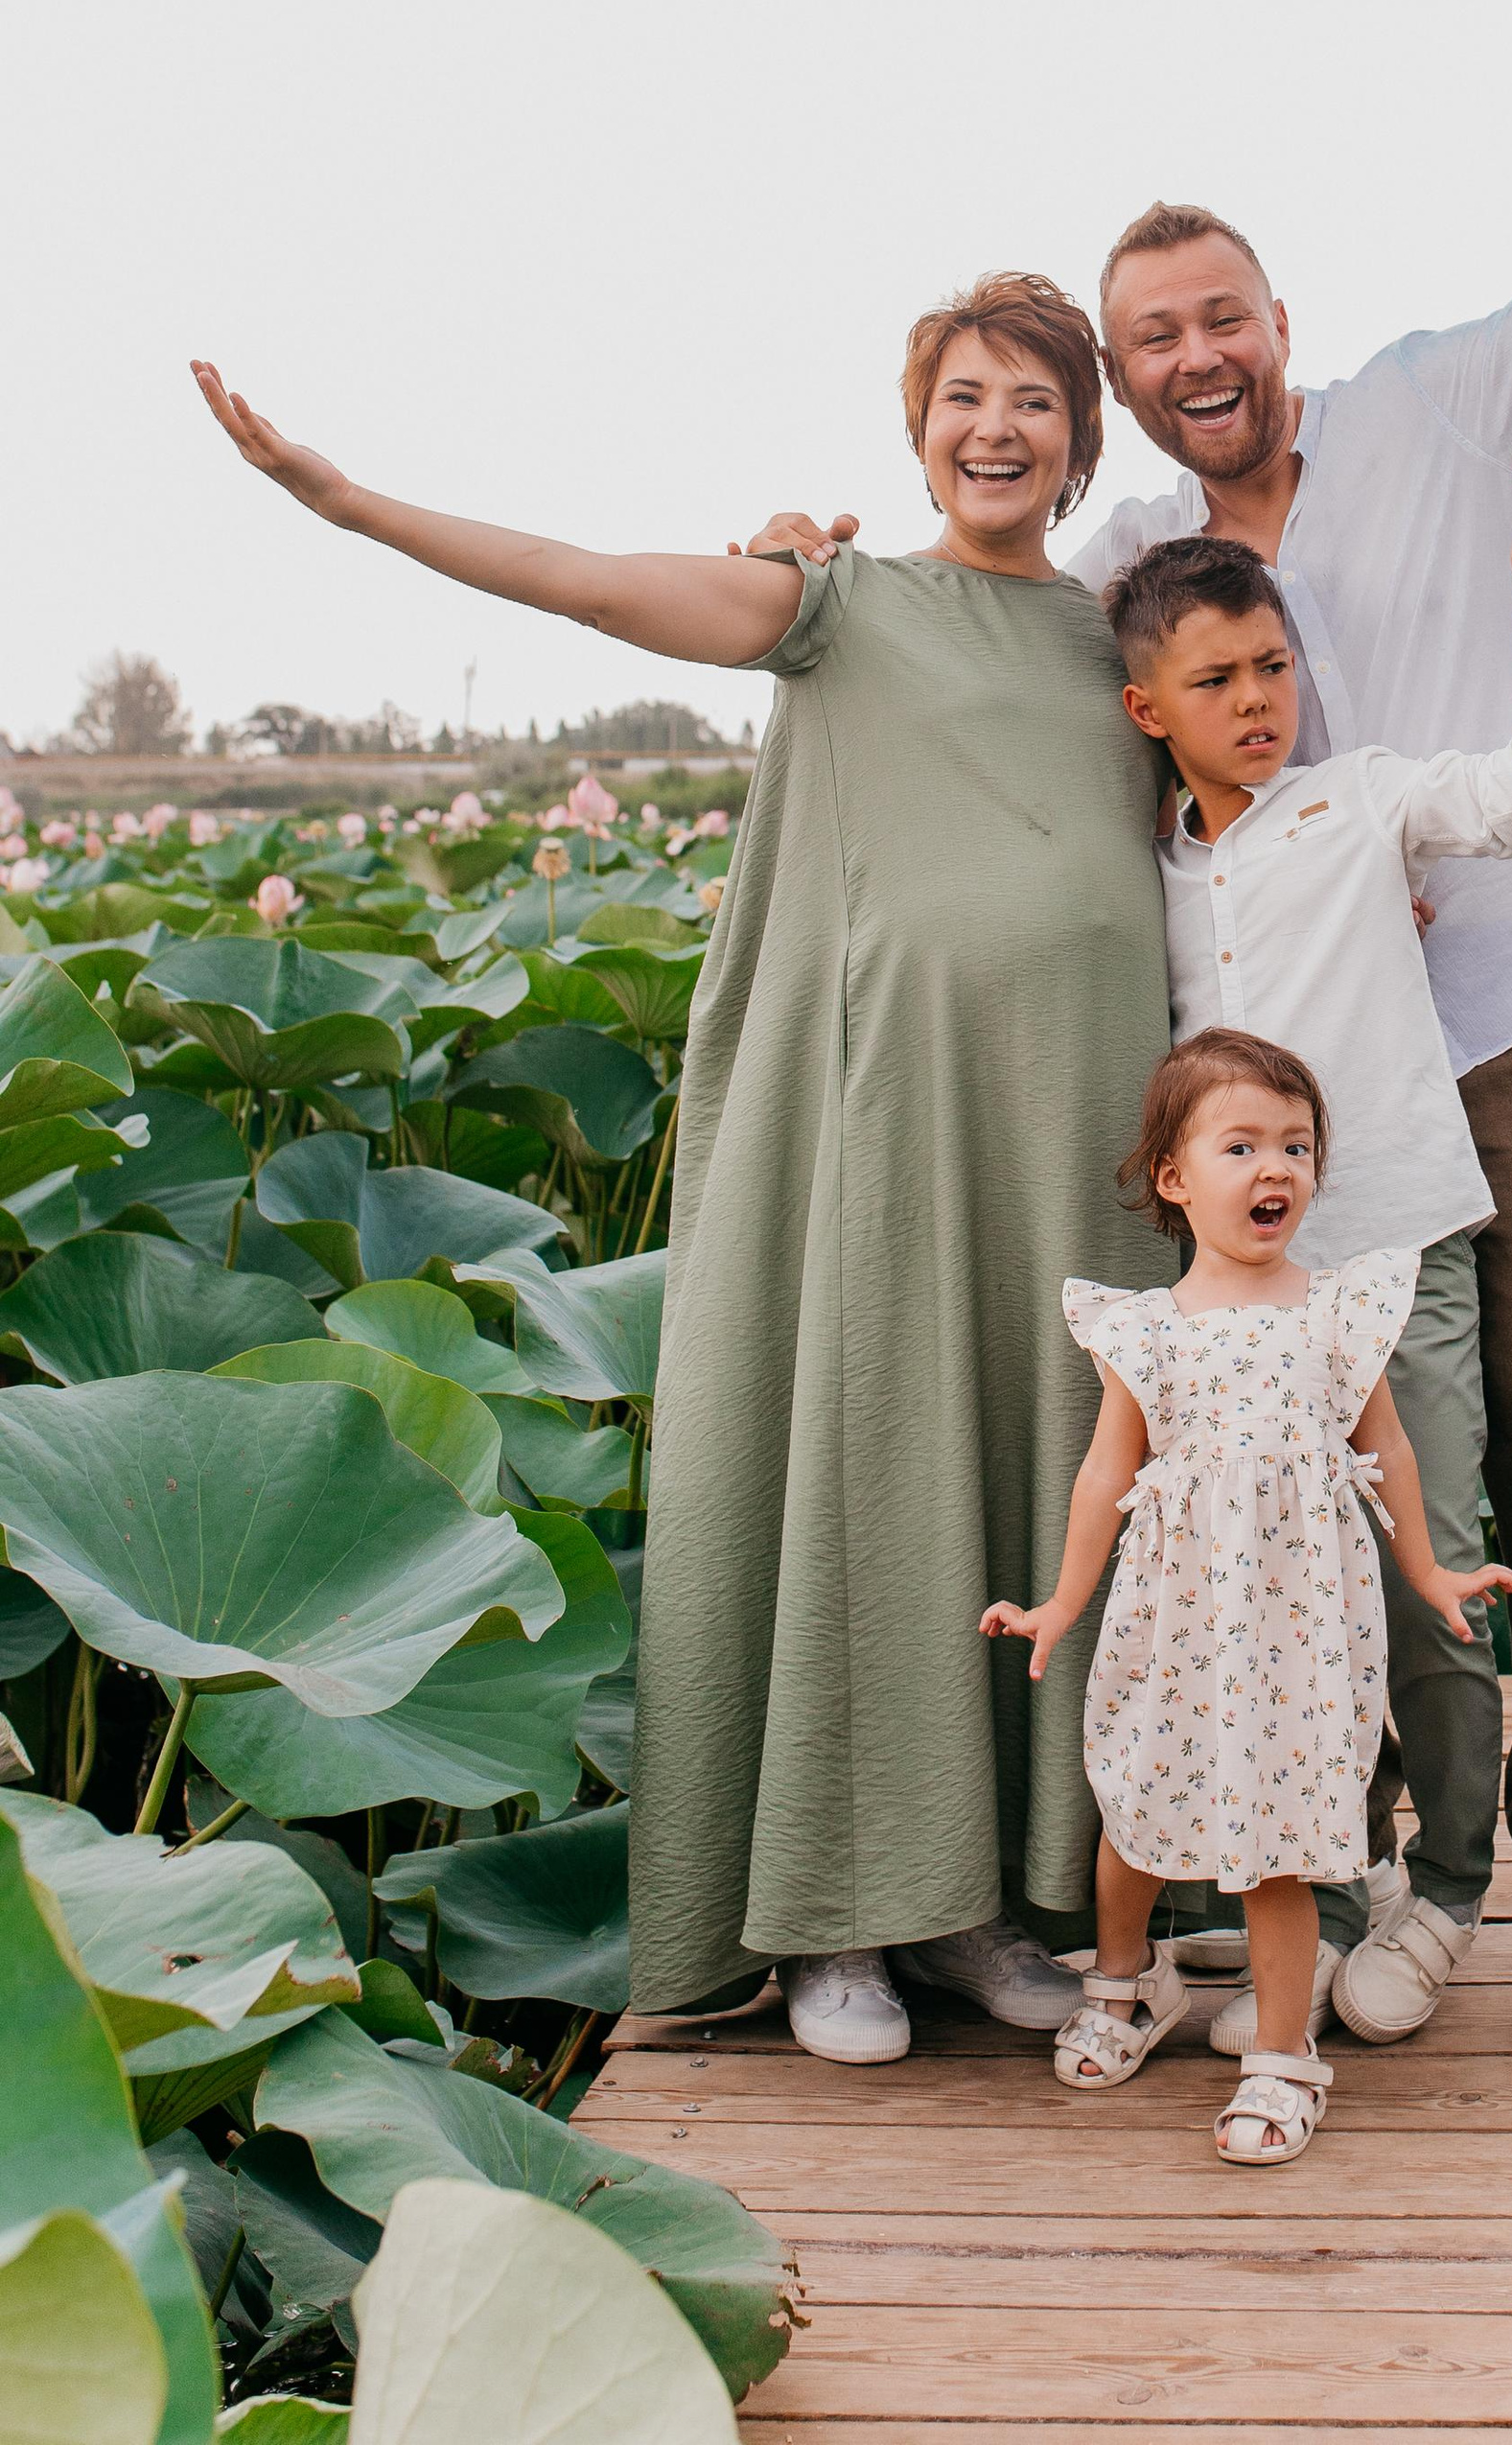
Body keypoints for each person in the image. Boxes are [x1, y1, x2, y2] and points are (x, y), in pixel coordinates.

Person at [737, 0, 1512, 2108]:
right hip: (1257, 1120)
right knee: (1272, 1481)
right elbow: (959, 640)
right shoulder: (1123, 556)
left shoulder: (1436, 398)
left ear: (1275, 321)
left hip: (1495, 1030)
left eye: (1217, 315)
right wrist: (813, 568)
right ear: (1121, 379)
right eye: (1147, 340)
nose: (1189, 355)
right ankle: (1292, 1868)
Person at [189, 272, 1173, 2068]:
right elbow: (594, 580)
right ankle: (831, 1922)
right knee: (876, 1479)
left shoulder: (1119, 636)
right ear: (918, 425)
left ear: (1083, 438)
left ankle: (975, 1911)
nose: (997, 427)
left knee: (1034, 1493)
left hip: (1076, 1138)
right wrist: (347, 501)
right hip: (889, 1121)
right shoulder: (838, 599)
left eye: (1034, 398)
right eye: (964, 394)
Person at [1096, 430, 1512, 2071]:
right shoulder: (1140, 885)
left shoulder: (1364, 804)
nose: (1259, 698)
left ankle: (1450, 1888)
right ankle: (1329, 1872)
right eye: (1218, 678)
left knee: (1424, 1581)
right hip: (1234, 1308)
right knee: (1256, 1597)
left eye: (1274, 665)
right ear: (1145, 710)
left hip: (1391, 1259)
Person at [981, 1030, 1512, 2168]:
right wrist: (1059, 1603)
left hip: (1299, 1637)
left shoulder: (1338, 1317)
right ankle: (1128, 1986)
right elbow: (1102, 1476)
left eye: (1296, 1146)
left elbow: (1393, 1457)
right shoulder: (1148, 1332)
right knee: (1131, 1815)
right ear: (1176, 1180)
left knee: (1281, 1845)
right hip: (1174, 1622)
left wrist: (1428, 1571)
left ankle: (1283, 2057)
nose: (1275, 1168)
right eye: (1241, 1146)